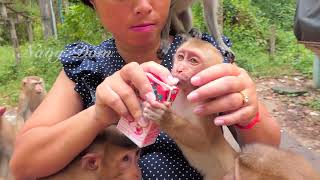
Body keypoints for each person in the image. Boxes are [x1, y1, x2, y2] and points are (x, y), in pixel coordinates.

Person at [9, 0, 280, 179]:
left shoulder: (201, 54)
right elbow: (23, 163)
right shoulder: (87, 66)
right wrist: (97, 116)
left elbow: (266, 150)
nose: (141, 5)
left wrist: (247, 109)